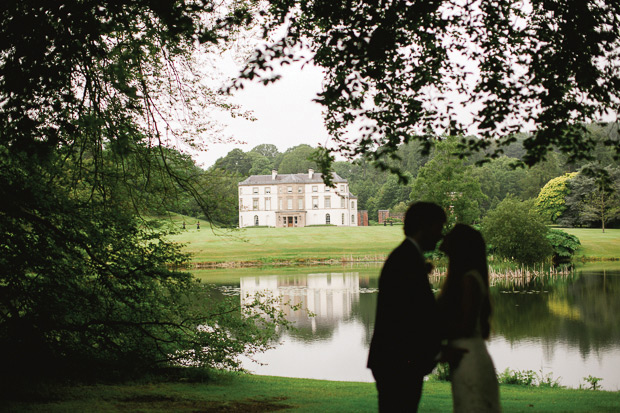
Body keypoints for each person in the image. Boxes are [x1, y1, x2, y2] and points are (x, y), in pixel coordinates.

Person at [367, 202, 447, 412]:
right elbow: (413, 316)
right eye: (438, 228)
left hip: (394, 359)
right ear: (425, 227)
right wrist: (438, 351)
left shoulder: (406, 257)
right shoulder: (406, 260)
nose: (439, 236)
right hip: (398, 362)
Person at [437, 224, 501, 412]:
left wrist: (433, 340)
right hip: (464, 354)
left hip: (467, 356)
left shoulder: (468, 280)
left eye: (449, 235)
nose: (443, 237)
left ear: (459, 246)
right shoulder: (465, 278)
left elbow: (465, 325)